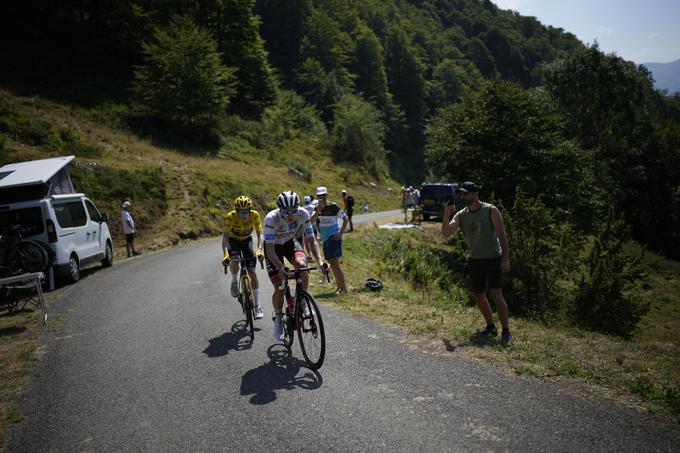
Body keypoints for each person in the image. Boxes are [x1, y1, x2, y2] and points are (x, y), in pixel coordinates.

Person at [441, 181, 512, 345]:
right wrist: (446, 215)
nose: (462, 196)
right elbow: (446, 233)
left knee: (496, 294)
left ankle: (506, 331)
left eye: (465, 193)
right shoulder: (461, 214)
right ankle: (490, 326)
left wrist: (506, 258)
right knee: (478, 295)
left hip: (493, 258)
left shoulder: (491, 210)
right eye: (461, 194)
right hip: (475, 260)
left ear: (475, 193)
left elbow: (502, 235)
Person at [263, 191, 327, 341]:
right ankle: (278, 317)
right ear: (280, 210)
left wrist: (320, 261)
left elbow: (312, 240)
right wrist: (280, 267)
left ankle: (302, 300)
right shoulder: (271, 219)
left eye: (293, 210)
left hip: (290, 244)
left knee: (302, 265)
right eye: (285, 211)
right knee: (279, 286)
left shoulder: (303, 214)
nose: (290, 214)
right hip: (273, 249)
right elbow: (270, 249)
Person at [221, 196, 265, 319]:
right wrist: (225, 255)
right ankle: (235, 280)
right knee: (234, 261)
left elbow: (260, 234)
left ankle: (257, 305)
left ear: (250, 210)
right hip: (233, 241)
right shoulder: (230, 217)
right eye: (240, 212)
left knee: (252, 272)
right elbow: (225, 238)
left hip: (247, 241)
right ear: (236, 211)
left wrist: (259, 250)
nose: (243, 214)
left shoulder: (254, 215)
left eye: (246, 211)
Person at [313, 186, 349, 294]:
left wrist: (341, 233)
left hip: (334, 237)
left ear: (327, 195)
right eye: (319, 196)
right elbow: (311, 221)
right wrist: (318, 210)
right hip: (325, 239)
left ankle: (344, 288)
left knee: (335, 264)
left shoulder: (334, 206)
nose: (321, 198)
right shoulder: (317, 208)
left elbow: (345, 219)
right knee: (332, 264)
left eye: (323, 195)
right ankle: (339, 287)